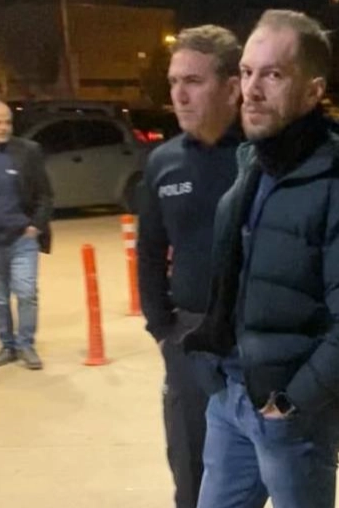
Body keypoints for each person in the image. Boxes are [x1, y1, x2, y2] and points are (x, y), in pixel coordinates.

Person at [182, 10, 339, 508]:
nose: (251, 90)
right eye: (247, 72)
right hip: (231, 396)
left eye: (273, 75)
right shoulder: (253, 162)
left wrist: (292, 402)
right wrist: (216, 371)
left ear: (313, 91)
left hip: (292, 416)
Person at [136, 25, 242, 508]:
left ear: (231, 87)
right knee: (191, 474)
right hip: (189, 341)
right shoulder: (163, 163)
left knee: (265, 471)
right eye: (174, 81)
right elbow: (149, 252)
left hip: (255, 341)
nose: (179, 95)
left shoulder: (260, 156)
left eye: (193, 81)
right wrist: (163, 330)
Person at [0, 99, 53, 370]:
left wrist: (35, 227)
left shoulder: (28, 151)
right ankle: (7, 345)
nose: (3, 127)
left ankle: (26, 344)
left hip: (22, 239)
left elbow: (45, 194)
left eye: (7, 122)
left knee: (26, 292)